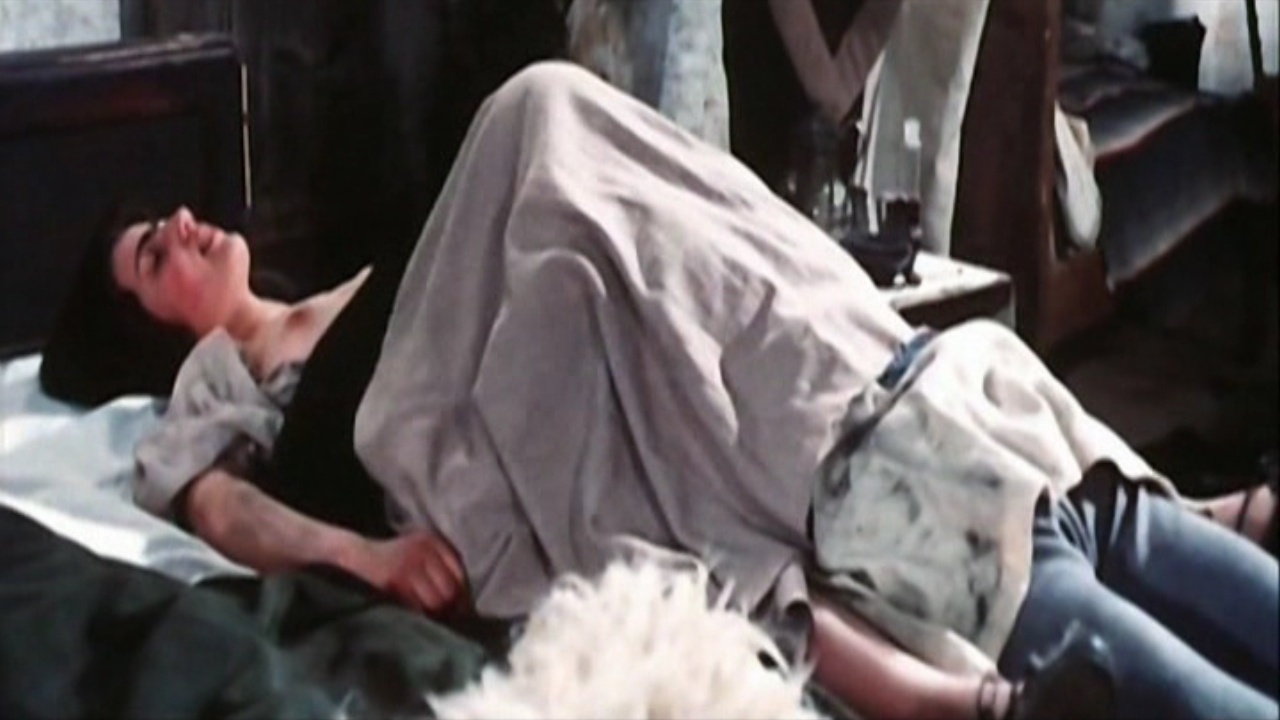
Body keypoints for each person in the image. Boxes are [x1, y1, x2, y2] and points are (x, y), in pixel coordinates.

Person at [44, 62, 1277, 720]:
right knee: (533, 117)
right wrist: (360, 558)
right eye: (153, 255)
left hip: (587, 351)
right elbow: (218, 510)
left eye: (171, 218)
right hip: (457, 426)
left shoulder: (355, 272)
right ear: (154, 334)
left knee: (559, 157)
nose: (185, 225)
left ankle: (850, 400)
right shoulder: (220, 381)